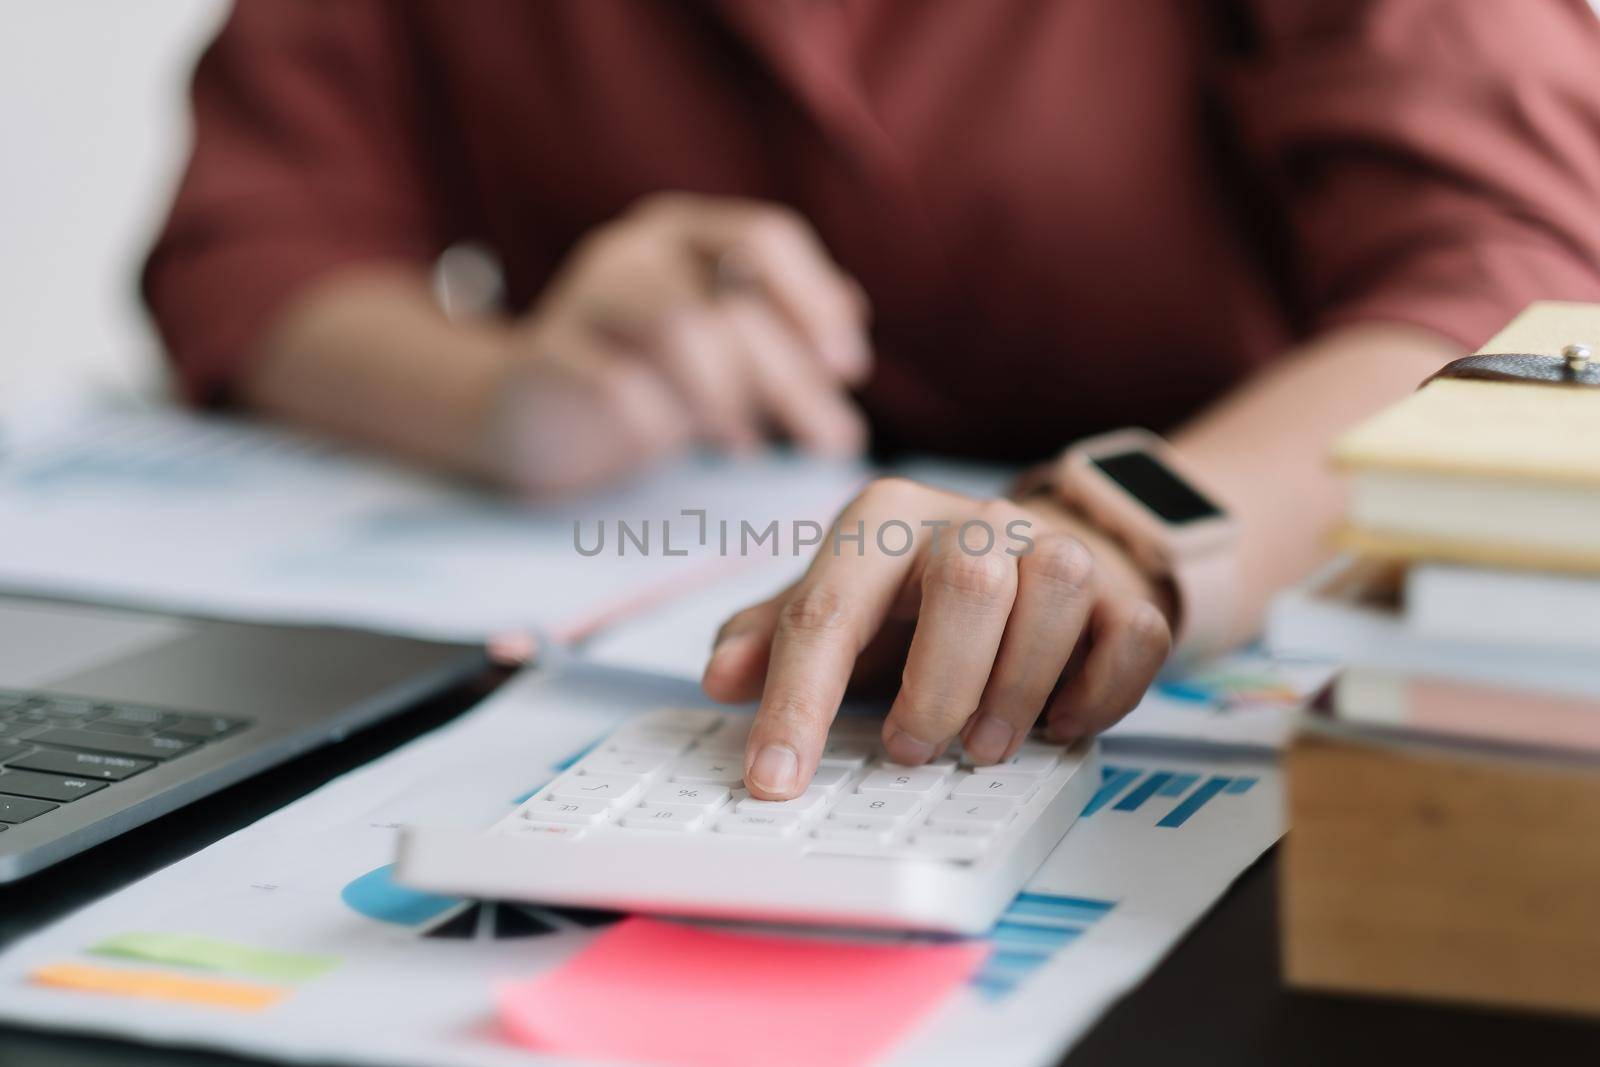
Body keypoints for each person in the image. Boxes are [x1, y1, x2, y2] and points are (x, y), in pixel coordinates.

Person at [145, 2, 1600, 800]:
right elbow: (255, 240)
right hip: (606, 627)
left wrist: (1127, 536)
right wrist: (513, 397)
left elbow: (1521, 287)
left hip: (1229, 588)